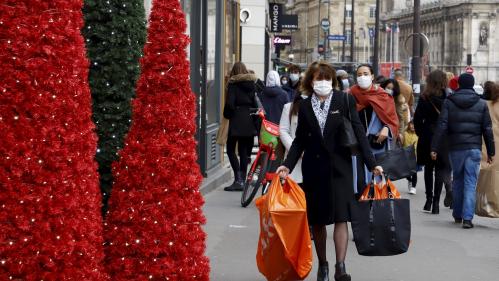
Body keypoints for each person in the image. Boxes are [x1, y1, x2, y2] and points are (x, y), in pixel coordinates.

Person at [276, 62, 383, 281]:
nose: (322, 82)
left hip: (340, 167)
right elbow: (299, 141)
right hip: (314, 169)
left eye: (326, 78)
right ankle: (323, 265)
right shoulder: (304, 107)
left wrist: (372, 163)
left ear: (332, 80)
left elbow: (359, 132)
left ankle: (340, 266)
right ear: (311, 81)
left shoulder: (344, 100)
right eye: (318, 78)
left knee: (342, 217)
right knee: (318, 220)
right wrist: (287, 164)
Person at [431, 73, 495, 228]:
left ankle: (457, 214)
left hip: (456, 148)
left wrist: (434, 147)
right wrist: (491, 152)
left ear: (459, 84)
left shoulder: (449, 102)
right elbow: (487, 129)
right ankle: (467, 218)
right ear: (472, 85)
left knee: (458, 180)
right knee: (470, 183)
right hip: (474, 148)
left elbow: (442, 125)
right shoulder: (481, 104)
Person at [350, 64, 399, 186]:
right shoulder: (349, 95)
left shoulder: (383, 96)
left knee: (377, 183)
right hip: (354, 144)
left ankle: (375, 204)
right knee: (357, 182)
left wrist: (387, 129)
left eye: (365, 74)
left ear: (372, 76)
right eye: (359, 75)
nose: (362, 77)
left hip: (376, 144)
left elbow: (392, 120)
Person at [413, 70, 453, 214]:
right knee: (441, 170)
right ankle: (436, 203)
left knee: (429, 169)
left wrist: (421, 133)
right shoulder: (449, 97)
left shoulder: (425, 97)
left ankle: (428, 200)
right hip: (443, 137)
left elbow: (417, 119)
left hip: (427, 135)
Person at [223, 62, 259, 191]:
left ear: (234, 72)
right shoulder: (252, 84)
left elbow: (230, 105)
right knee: (244, 152)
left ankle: (238, 179)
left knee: (231, 149)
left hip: (237, 119)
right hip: (249, 119)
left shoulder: (233, 84)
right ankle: (242, 180)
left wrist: (227, 114)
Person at [476, 81, 499, 216]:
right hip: (497, 141)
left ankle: (486, 203)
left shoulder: (483, 104)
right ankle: (493, 204)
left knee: (485, 173)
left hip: (485, 141)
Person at [403, 120, 418, 194]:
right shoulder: (405, 134)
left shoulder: (418, 134)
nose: (413, 126)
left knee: (414, 172)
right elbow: (401, 143)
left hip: (414, 156)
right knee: (406, 172)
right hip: (405, 156)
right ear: (409, 125)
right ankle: (409, 180)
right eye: (412, 124)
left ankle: (413, 187)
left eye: (415, 124)